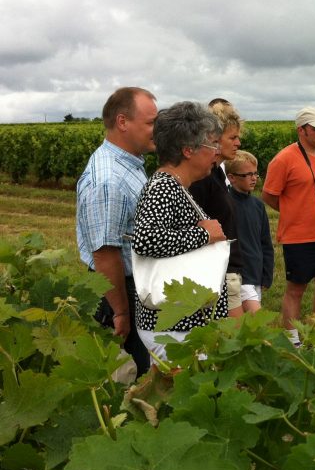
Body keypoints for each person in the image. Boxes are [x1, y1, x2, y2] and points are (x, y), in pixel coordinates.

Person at [132, 101, 228, 362]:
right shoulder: (164, 187)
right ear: (188, 150)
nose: (216, 153)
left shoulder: (176, 186)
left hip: (183, 326)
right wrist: (204, 235)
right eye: (212, 145)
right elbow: (146, 239)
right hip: (175, 331)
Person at [76, 87, 157, 378]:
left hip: (130, 286)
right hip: (118, 291)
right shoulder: (108, 180)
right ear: (123, 122)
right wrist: (120, 312)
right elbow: (105, 254)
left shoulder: (129, 164)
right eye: (150, 123)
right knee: (127, 376)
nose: (155, 130)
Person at [261, 106, 315, 353]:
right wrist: (293, 212)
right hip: (298, 236)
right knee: (296, 288)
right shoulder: (284, 159)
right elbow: (269, 195)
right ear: (301, 130)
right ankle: (292, 341)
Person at [189, 101, 245, 318]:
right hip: (218, 272)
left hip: (227, 268)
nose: (238, 143)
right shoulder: (202, 178)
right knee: (234, 344)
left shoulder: (217, 173)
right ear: (213, 138)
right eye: (232, 137)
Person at [226, 150, 274, 313]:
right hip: (239, 274)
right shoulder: (226, 205)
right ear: (232, 177)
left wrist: (266, 274)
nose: (254, 178)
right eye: (248, 174)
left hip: (256, 272)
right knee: (257, 320)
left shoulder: (257, 205)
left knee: (247, 326)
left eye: (255, 174)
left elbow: (265, 242)